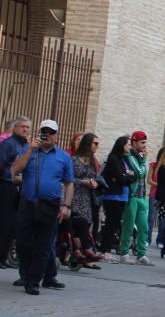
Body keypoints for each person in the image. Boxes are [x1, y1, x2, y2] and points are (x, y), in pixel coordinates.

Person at [10, 119, 73, 294]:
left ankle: (33, 281)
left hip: (49, 206)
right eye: (44, 132)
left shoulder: (63, 157)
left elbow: (69, 183)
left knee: (43, 245)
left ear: (56, 136)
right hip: (27, 203)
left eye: (51, 132)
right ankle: (26, 274)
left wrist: (66, 205)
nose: (47, 135)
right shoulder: (28, 151)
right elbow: (15, 170)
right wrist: (30, 149)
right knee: (23, 243)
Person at [66, 133, 105, 269]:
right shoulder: (74, 160)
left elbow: (97, 178)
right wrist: (83, 182)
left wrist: (96, 184)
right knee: (77, 223)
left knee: (85, 225)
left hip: (87, 197)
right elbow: (67, 178)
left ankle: (81, 253)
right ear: (88, 144)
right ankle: (82, 250)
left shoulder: (93, 162)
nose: (97, 146)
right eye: (95, 143)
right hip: (74, 195)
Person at [0, 116, 30, 268]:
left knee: (13, 225)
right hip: (7, 186)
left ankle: (4, 255)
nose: (25, 129)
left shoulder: (26, 146)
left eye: (27, 127)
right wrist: (12, 175)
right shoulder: (8, 144)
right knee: (5, 222)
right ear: (15, 128)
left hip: (21, 188)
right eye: (22, 126)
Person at [119, 131, 150, 264]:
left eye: (145, 143)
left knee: (144, 226)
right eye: (142, 143)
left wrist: (143, 159)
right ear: (134, 142)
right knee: (129, 225)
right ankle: (124, 253)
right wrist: (144, 160)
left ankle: (141, 254)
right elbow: (140, 172)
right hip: (132, 196)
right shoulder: (129, 156)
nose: (144, 145)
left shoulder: (141, 156)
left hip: (142, 196)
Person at [100, 136, 135, 257]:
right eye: (128, 144)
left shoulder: (124, 160)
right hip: (113, 196)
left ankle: (107, 248)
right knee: (111, 223)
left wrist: (127, 176)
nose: (130, 147)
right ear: (122, 145)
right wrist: (126, 176)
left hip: (123, 196)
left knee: (115, 224)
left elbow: (133, 175)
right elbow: (120, 178)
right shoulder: (113, 158)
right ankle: (105, 250)